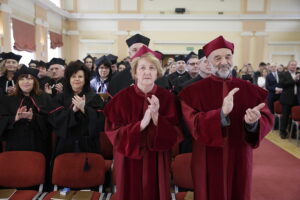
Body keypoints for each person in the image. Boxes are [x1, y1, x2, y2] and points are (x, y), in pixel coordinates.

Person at [179, 35, 273, 200]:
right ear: (208, 62)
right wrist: (220, 115)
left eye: (228, 56)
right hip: (207, 157)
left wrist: (253, 123)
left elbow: (266, 116)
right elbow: (193, 124)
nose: (224, 62)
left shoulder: (249, 89)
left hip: (240, 156)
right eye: (218, 58)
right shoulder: (191, 93)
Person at [104, 46, 182, 200]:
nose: (147, 72)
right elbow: (113, 134)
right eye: (142, 67)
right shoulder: (120, 99)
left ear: (158, 72)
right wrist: (140, 125)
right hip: (128, 159)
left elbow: (176, 134)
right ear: (135, 71)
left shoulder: (167, 98)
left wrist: (157, 119)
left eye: (152, 68)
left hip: (157, 158)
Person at [49, 60, 105, 156]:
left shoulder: (94, 97)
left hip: (88, 143)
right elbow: (54, 119)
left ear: (85, 79)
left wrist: (84, 109)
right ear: (69, 79)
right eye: (73, 76)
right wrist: (73, 110)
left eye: (80, 76)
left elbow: (100, 120)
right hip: (65, 142)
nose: (76, 79)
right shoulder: (60, 97)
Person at [0, 65, 52, 157]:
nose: (25, 82)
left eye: (29, 79)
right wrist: (15, 118)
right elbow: (2, 121)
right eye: (22, 79)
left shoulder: (45, 98)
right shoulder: (8, 99)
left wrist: (33, 117)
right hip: (15, 142)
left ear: (35, 81)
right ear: (17, 82)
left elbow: (52, 121)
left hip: (38, 142)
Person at [278, 60, 299, 139]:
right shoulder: (284, 74)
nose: (293, 66)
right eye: (292, 65)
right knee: (285, 117)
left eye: (295, 65)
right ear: (288, 66)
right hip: (286, 99)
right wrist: (293, 80)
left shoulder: (297, 74)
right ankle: (283, 132)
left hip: (296, 98)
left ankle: (292, 133)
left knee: (293, 117)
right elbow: (283, 84)